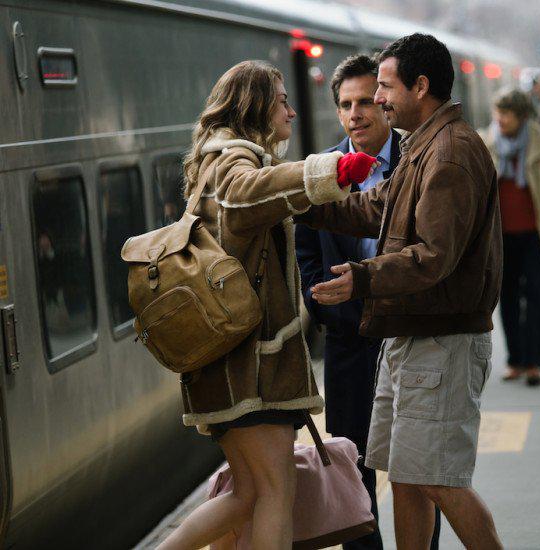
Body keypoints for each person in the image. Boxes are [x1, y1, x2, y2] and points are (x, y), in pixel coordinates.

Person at [296, 33, 503, 550]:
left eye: (385, 87)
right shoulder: (425, 145)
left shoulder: (449, 153)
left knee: (438, 479)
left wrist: (362, 277)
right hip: (416, 335)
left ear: (421, 86)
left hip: (441, 340)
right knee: (409, 476)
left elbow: (433, 255)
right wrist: (301, 205)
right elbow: (375, 206)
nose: (378, 100)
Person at [157, 60, 375, 550]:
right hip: (252, 370)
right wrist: (330, 170)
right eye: (282, 101)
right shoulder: (232, 162)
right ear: (255, 105)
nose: (292, 112)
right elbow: (246, 193)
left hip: (237, 365)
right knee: (275, 490)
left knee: (250, 492)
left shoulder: (216, 159)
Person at [296, 53, 441, 550]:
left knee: (416, 469)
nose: (355, 114)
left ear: (384, 104)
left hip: (409, 337)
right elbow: (306, 251)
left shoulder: (419, 160)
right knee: (352, 470)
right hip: (349, 342)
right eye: (345, 105)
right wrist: (327, 309)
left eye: (364, 102)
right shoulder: (321, 173)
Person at [479, 89, 540, 385]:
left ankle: (535, 361)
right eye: (498, 112)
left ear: (522, 116)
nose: (501, 119)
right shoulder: (486, 141)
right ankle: (515, 360)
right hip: (500, 235)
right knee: (507, 298)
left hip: (537, 232)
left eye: (507, 113)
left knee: (536, 296)